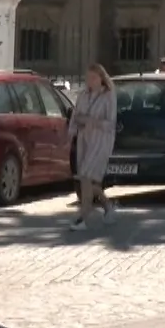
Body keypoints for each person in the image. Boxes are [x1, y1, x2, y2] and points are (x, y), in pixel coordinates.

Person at [68, 63, 118, 229]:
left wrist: (92, 121)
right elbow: (76, 116)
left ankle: (83, 217)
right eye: (88, 78)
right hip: (85, 139)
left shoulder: (108, 96)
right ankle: (108, 206)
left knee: (87, 176)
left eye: (94, 77)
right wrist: (72, 133)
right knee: (86, 177)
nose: (90, 81)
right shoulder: (83, 95)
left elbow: (110, 123)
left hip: (101, 140)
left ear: (101, 78)